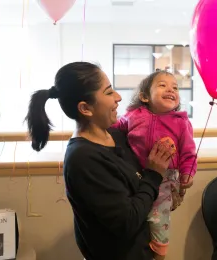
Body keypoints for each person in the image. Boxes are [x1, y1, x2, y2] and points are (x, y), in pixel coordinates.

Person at [24, 62, 183, 260]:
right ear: (85, 108)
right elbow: (126, 222)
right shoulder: (83, 158)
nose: (118, 97)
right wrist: (154, 176)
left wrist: (168, 189)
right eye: (108, 93)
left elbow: (138, 188)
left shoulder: (116, 135)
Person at [112, 70, 197, 260]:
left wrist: (187, 174)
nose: (171, 89)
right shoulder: (133, 115)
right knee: (136, 220)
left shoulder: (181, 122)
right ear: (144, 96)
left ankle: (160, 255)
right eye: (162, 85)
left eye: (175, 87)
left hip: (165, 181)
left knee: (159, 221)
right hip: (133, 177)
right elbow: (113, 131)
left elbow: (189, 153)